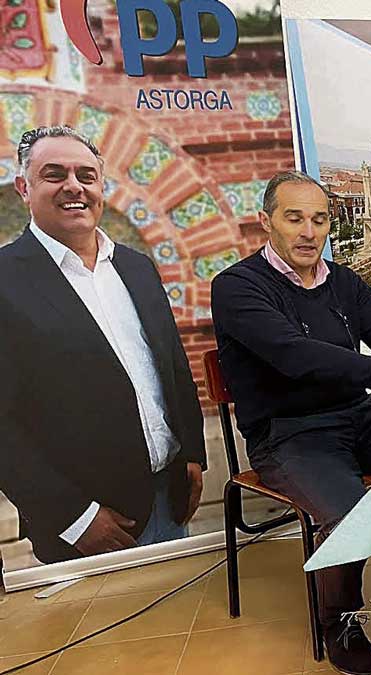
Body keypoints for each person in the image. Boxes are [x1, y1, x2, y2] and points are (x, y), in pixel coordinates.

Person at [211, 171, 371, 675]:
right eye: (294, 218)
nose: (309, 231)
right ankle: (341, 623)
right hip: (288, 433)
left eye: (319, 219)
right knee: (348, 513)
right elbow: (296, 356)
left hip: (359, 415)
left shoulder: (344, 280)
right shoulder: (236, 287)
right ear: (266, 222)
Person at [0, 126, 205, 564]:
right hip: (88, 526)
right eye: (54, 174)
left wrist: (191, 454)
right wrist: (73, 517)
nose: (74, 186)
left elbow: (171, 364)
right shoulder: (5, 281)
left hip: (169, 500)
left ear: (101, 187)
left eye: (86, 175)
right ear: (24, 187)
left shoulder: (137, 268)